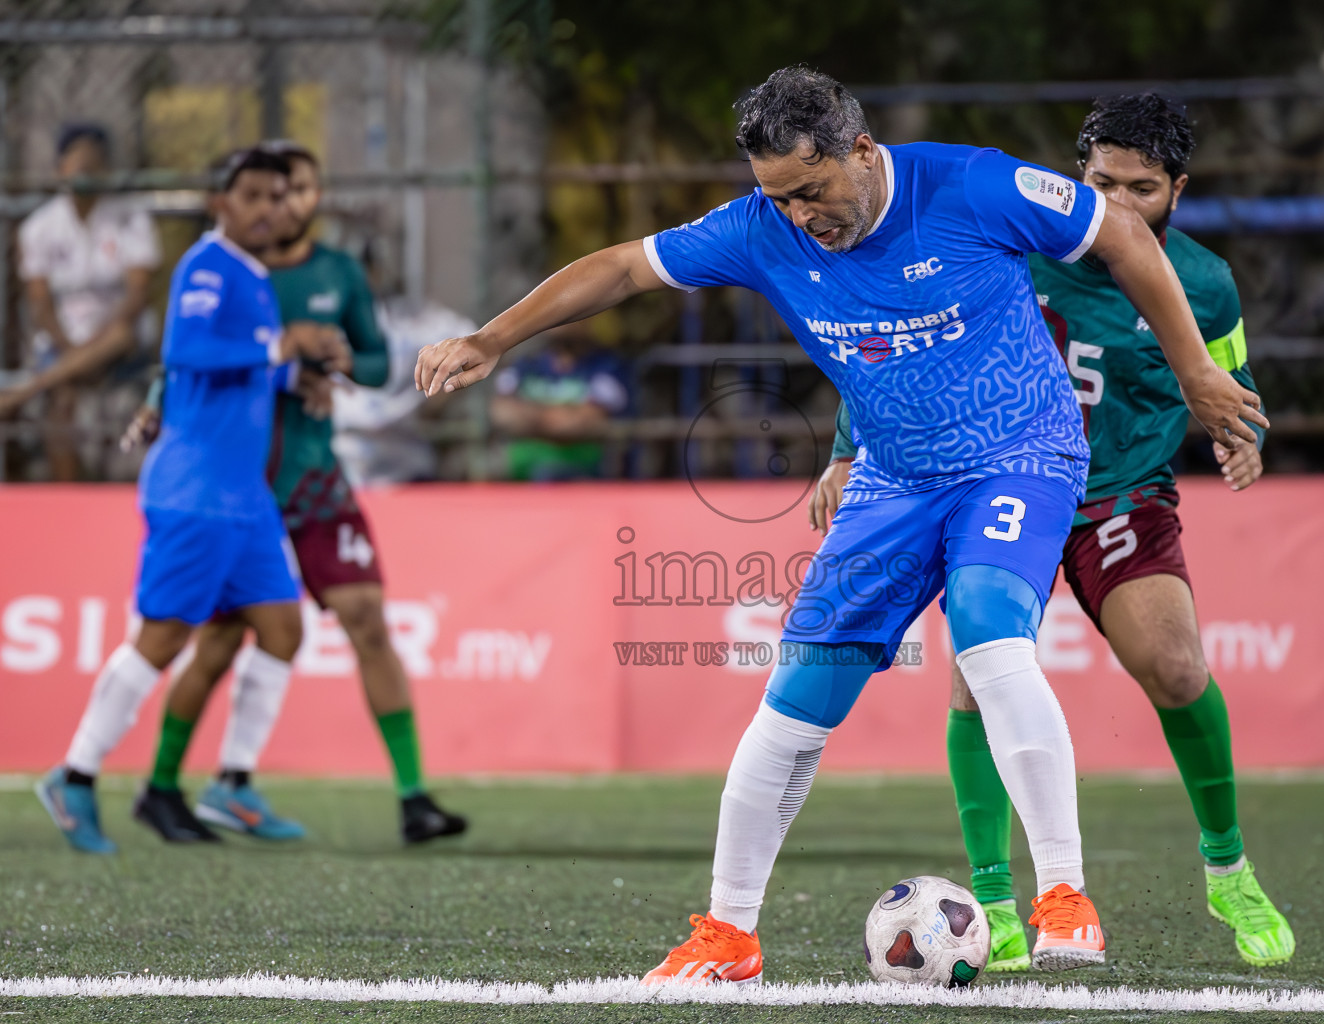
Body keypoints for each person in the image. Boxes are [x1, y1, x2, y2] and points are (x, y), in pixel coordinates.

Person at [413, 66, 1266, 983]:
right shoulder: (760, 226)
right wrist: (491, 338)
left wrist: (1194, 372)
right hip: (894, 483)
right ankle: (729, 934)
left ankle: (1063, 893)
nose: (797, 216)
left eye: (811, 191)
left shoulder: (972, 184)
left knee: (986, 632)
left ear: (862, 151)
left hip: (1019, 457)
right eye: (775, 197)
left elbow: (1125, 235)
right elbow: (624, 266)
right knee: (797, 695)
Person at [809, 94, 1295, 970]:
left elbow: (1230, 380)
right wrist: (847, 452)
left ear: (1179, 189)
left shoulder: (1207, 282)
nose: (1117, 204)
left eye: (1141, 188)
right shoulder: (1011, 239)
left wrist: (1242, 437)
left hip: (1118, 496)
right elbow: (897, 347)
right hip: (993, 483)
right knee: (974, 682)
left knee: (1178, 667)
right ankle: (995, 904)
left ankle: (1228, 869)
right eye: (1100, 182)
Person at [129, 141, 468, 845]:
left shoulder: (337, 272)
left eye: (298, 190)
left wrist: (347, 357)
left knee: (366, 617)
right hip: (236, 480)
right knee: (220, 641)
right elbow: (185, 352)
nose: (284, 204)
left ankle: (413, 799)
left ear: (312, 196)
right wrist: (158, 400)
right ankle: (167, 785)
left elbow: (375, 363)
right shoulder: (231, 271)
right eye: (271, 192)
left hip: (313, 474)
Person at [34, 147, 350, 854]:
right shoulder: (208, 265)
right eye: (255, 196)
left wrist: (297, 377)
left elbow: (226, 370)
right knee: (163, 639)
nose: (270, 208)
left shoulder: (254, 276)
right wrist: (278, 347)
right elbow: (189, 352)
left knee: (281, 629)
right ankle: (76, 776)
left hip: (244, 499)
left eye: (278, 197)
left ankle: (232, 785)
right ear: (221, 204)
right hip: (196, 491)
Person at [3, 124, 161, 480]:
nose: (86, 172)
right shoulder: (39, 227)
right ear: (60, 169)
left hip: (120, 341)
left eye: (95, 164)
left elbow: (137, 295)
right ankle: (68, 499)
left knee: (121, 334)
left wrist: (93, 347)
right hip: (63, 343)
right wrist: (73, 351)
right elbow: (40, 303)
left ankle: (21, 394)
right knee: (62, 400)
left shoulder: (130, 217)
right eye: (78, 163)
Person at [491, 325, 629, 481]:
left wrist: (530, 417)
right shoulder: (525, 364)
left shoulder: (607, 366)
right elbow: (502, 414)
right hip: (520, 476)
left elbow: (582, 422)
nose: (561, 321)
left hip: (582, 477)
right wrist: (559, 417)